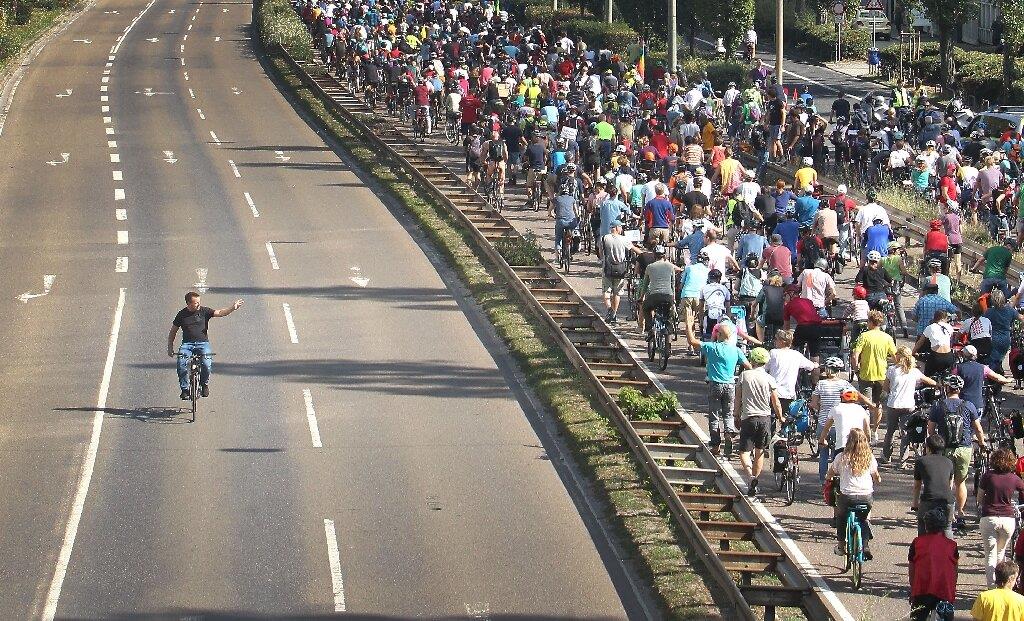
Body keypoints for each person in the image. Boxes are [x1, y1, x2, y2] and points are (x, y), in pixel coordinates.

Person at [928, 374, 986, 531]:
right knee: (961, 482)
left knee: (946, 482)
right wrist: (981, 443)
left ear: (947, 388)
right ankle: (960, 513)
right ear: (960, 389)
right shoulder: (969, 405)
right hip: (963, 448)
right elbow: (978, 429)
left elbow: (931, 430)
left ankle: (948, 514)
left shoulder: (939, 405)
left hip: (944, 448)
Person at [687, 322, 751, 456]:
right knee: (728, 414)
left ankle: (715, 446)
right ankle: (728, 433)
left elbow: (693, 342)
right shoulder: (736, 350)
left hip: (715, 384)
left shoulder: (712, 347)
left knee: (714, 415)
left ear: (720, 335)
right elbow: (748, 366)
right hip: (730, 385)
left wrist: (689, 324)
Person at [167, 292, 244, 399]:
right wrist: (170, 347)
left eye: (199, 302)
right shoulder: (181, 315)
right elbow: (173, 331)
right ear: (188, 303)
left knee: (206, 364)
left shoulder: (204, 311)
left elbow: (220, 312)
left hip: (203, 344)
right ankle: (184, 389)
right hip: (187, 345)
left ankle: (204, 384)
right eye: (196, 302)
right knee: (181, 363)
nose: (199, 304)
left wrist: (232, 308)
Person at [734, 347, 783, 496]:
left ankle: (750, 477)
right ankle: (755, 479)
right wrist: (781, 417)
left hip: (748, 417)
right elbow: (776, 402)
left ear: (752, 360)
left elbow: (738, 398)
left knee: (744, 452)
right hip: (765, 418)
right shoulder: (769, 378)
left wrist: (736, 415)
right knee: (759, 451)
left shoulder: (744, 376)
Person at [825, 426, 879, 558]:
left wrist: (829, 478)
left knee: (841, 517)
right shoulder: (869, 458)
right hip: (866, 496)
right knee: (864, 519)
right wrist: (876, 480)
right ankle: (865, 545)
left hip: (847, 496)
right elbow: (877, 477)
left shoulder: (841, 457)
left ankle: (841, 545)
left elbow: (830, 474)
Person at [883, 346, 938, 464]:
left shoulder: (892, 370)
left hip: (893, 404)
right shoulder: (914, 371)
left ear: (900, 356)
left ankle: (886, 456)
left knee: (890, 431)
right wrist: (938, 384)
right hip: (908, 405)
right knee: (906, 432)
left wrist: (892, 392)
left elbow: (885, 387)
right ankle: (903, 459)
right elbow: (929, 381)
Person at [978, 448, 1024, 586]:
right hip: (1008, 520)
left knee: (990, 554)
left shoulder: (987, 476)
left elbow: (980, 498)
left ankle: (992, 587)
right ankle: (1002, 584)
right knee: (1001, 552)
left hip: (989, 518)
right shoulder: (1014, 478)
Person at [908, 506, 959, 621]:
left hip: (922, 590)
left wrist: (913, 590)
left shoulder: (917, 543)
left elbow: (912, 568)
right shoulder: (952, 545)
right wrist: (952, 591)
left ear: (926, 526)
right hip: (944, 591)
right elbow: (954, 571)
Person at [810, 356, 854, 483]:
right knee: (837, 454)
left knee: (823, 454)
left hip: (823, 423)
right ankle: (836, 480)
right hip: (838, 425)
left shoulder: (821, 384)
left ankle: (822, 481)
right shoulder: (845, 384)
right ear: (839, 371)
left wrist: (820, 408)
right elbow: (854, 398)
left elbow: (814, 403)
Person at [765, 329, 817, 414]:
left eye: (776, 339)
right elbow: (810, 366)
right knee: (787, 418)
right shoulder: (796, 354)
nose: (775, 341)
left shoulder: (773, 353)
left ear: (782, 341)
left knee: (772, 416)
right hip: (789, 393)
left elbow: (765, 368)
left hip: (773, 392)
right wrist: (815, 365)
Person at [912, 435, 955, 536]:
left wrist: (915, 503)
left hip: (929, 499)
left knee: (923, 523)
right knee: (947, 527)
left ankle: (923, 548)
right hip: (948, 500)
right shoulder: (949, 462)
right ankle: (950, 550)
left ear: (928, 448)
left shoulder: (921, 462)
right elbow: (950, 485)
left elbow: (917, 485)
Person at [851, 310, 896, 405]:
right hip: (882, 375)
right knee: (878, 404)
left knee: (866, 404)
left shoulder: (863, 336)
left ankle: (867, 420)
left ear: (871, 322)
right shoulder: (887, 338)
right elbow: (895, 357)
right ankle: (876, 420)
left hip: (866, 374)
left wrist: (856, 370)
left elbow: (855, 356)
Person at [954, 345, 1012, 415]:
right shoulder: (983, 368)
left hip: (962, 403)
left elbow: (950, 381)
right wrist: (1008, 380)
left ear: (963, 355)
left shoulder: (958, 368)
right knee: (977, 424)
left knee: (964, 424)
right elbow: (998, 378)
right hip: (977, 403)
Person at [639, 246, 683, 333]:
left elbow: (645, 285)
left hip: (654, 296)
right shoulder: (670, 267)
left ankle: (650, 328)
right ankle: (668, 330)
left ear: (654, 255)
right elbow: (672, 284)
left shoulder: (649, 267)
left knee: (645, 308)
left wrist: (641, 297)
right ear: (664, 255)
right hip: (668, 296)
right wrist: (673, 298)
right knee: (667, 313)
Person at [600, 221, 636, 325]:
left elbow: (601, 253)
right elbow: (633, 249)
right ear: (616, 227)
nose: (621, 229)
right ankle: (614, 313)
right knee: (617, 292)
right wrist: (645, 254)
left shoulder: (604, 238)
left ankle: (610, 310)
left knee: (606, 291)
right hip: (620, 269)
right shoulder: (624, 239)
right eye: (621, 227)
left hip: (607, 268)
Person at [985, 289, 1024, 372]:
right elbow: (1021, 318)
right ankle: (998, 372)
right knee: (999, 359)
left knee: (993, 360)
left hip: (993, 338)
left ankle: (993, 377)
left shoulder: (989, 312)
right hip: (1005, 339)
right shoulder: (1010, 310)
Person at [912, 309, 958, 377]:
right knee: (948, 377)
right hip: (949, 356)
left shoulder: (930, 327)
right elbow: (950, 340)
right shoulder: (949, 327)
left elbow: (920, 342)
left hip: (936, 357)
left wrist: (913, 352)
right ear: (943, 318)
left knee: (928, 377)